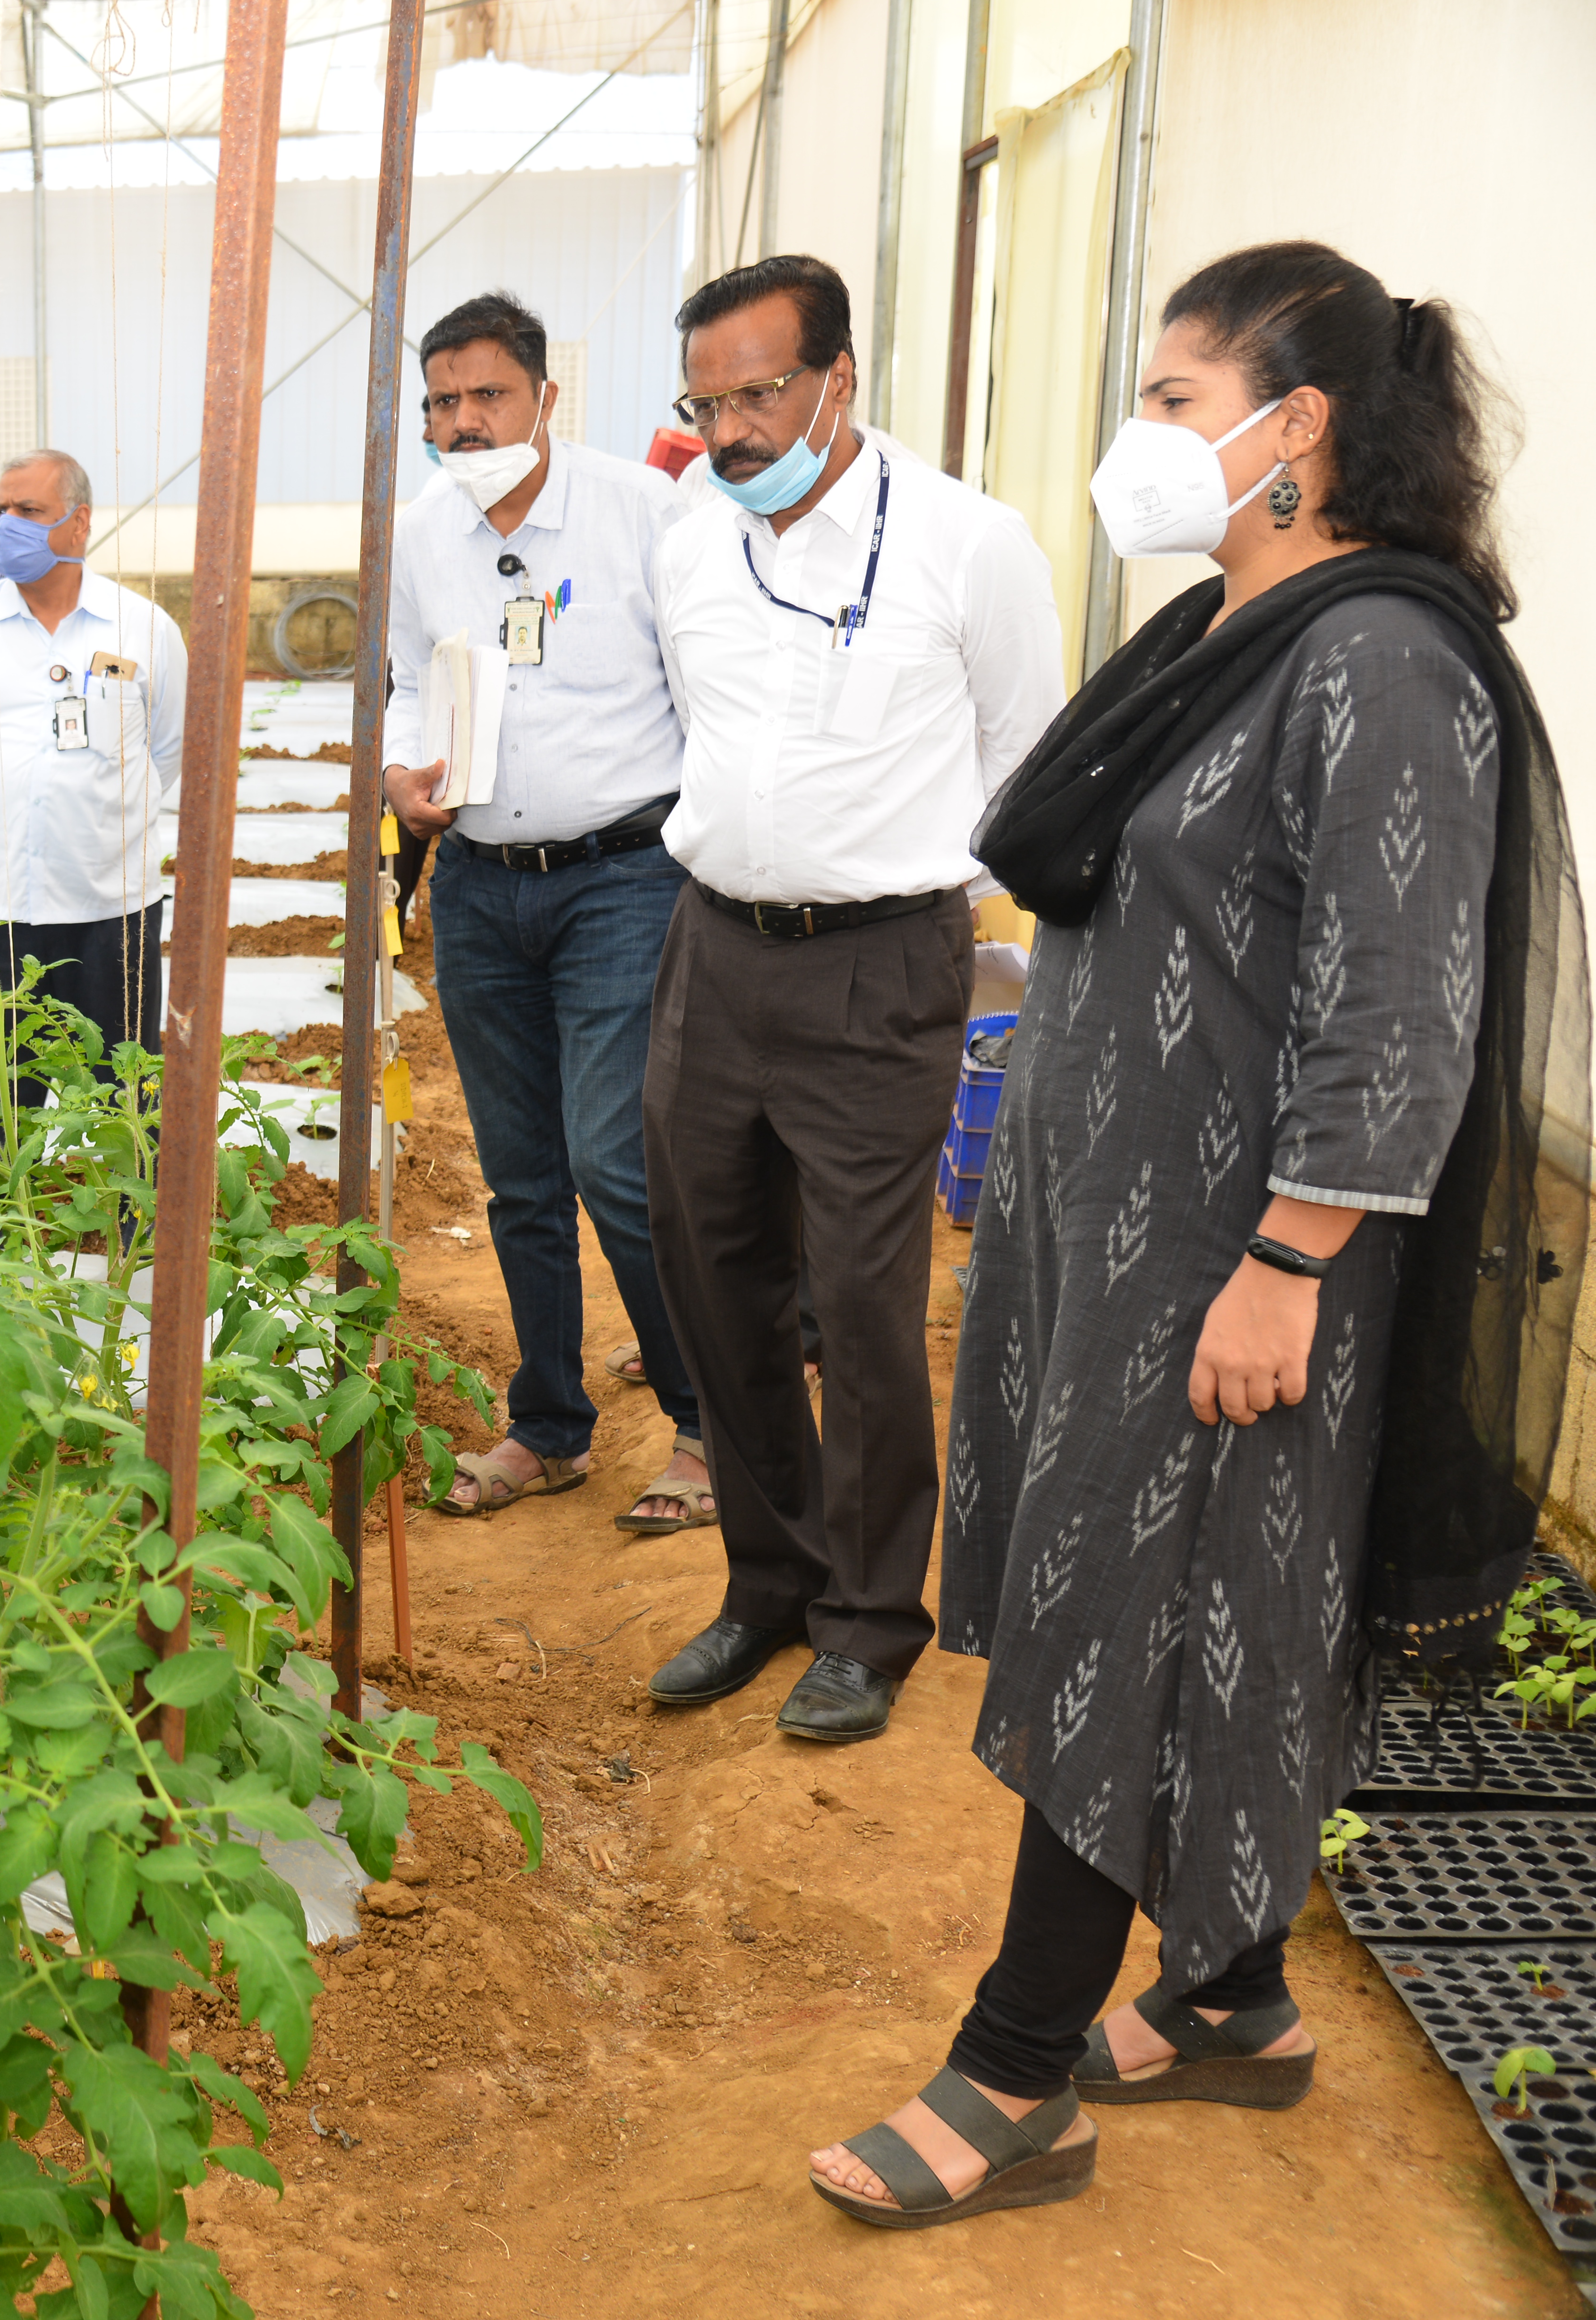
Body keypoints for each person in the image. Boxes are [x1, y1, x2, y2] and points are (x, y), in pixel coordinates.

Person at [810, 242, 1581, 2227]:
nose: (1137, 435)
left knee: (1124, 1611)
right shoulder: (1227, 627)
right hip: (1118, 1234)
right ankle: (1234, 1994)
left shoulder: (1386, 659)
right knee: (1194, 1602)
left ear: (1292, 426)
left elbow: (1393, 1002)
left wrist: (1289, 1259)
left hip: (1234, 1260)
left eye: (1171, 397)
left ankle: (1014, 2074)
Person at [638, 254, 1068, 1743]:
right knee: (713, 1276)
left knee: (865, 1305)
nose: (731, 428)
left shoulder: (968, 543)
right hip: (710, 947)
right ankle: (767, 1580)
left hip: (881, 958)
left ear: (838, 378)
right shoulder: (689, 542)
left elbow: (1024, 760)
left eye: (760, 391)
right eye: (705, 402)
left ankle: (870, 1616)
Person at [377, 290, 708, 1535]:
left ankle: (703, 1424)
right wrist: (406, 770)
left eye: (488, 397)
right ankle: (551, 1423)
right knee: (518, 1176)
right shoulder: (423, 533)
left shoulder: (645, 513)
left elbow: (705, 686)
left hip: (625, 879)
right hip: (479, 886)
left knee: (618, 1161)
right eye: (443, 406)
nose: (466, 425)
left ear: (544, 398)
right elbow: (414, 679)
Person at [0, 448, 183, 1116]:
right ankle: (5, 1221)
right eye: (1, 511)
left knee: (127, 1098)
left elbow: (169, 749)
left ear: (78, 522)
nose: (7, 525)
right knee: (2, 1102)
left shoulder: (143, 628)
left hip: (113, 908)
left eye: (28, 511)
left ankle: (131, 1220)